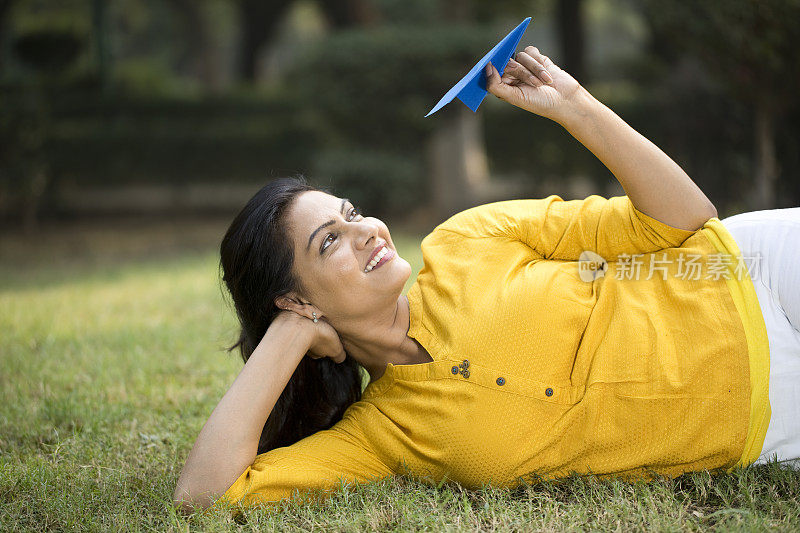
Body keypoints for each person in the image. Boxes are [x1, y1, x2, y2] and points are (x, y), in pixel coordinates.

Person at [172, 46, 800, 514]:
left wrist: (575, 108)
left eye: (352, 213)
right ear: (294, 295)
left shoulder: (467, 241)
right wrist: (288, 335)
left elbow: (684, 219)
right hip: (765, 421)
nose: (367, 231)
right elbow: (205, 495)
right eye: (329, 240)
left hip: (750, 273)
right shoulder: (384, 436)